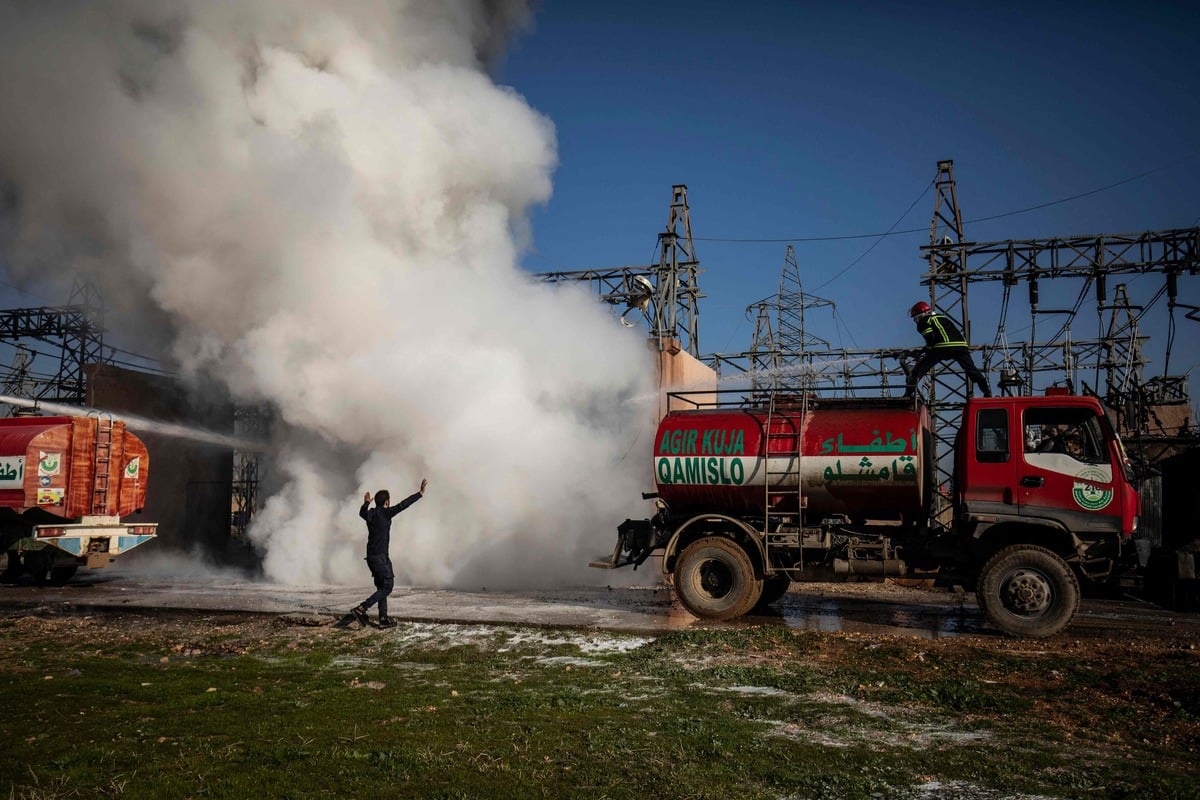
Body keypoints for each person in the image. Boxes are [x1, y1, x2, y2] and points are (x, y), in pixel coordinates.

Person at [351, 479, 427, 628]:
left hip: (372, 557)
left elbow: (362, 513)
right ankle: (361, 608)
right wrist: (420, 494)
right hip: (380, 558)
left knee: (381, 588)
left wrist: (366, 503)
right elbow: (403, 505)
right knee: (388, 587)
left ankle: (383, 619)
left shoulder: (370, 514)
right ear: (386, 502)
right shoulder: (386, 513)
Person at [903, 301, 991, 398]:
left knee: (919, 369)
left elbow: (930, 338)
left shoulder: (924, 321)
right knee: (971, 369)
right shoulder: (942, 317)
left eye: (915, 318)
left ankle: (908, 394)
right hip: (961, 346)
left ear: (920, 315)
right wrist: (925, 350)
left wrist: (926, 350)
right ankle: (987, 392)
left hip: (942, 346)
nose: (915, 321)